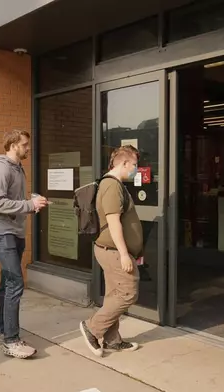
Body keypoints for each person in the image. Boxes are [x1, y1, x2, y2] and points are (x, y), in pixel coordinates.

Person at [0, 130, 49, 359]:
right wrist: (28, 204)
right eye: (24, 145)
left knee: (7, 283)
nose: (28, 148)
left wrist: (31, 201)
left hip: (15, 232)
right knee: (15, 283)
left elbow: (15, 200)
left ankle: (1, 330)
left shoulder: (17, 168)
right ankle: (11, 341)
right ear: (13, 145)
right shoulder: (1, 168)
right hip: (2, 233)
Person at [79, 145, 142, 358]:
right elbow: (113, 222)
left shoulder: (112, 184)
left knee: (114, 295)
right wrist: (125, 254)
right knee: (128, 292)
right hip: (114, 251)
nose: (136, 169)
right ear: (124, 163)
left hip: (111, 249)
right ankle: (92, 328)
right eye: (134, 165)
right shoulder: (112, 186)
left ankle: (113, 340)